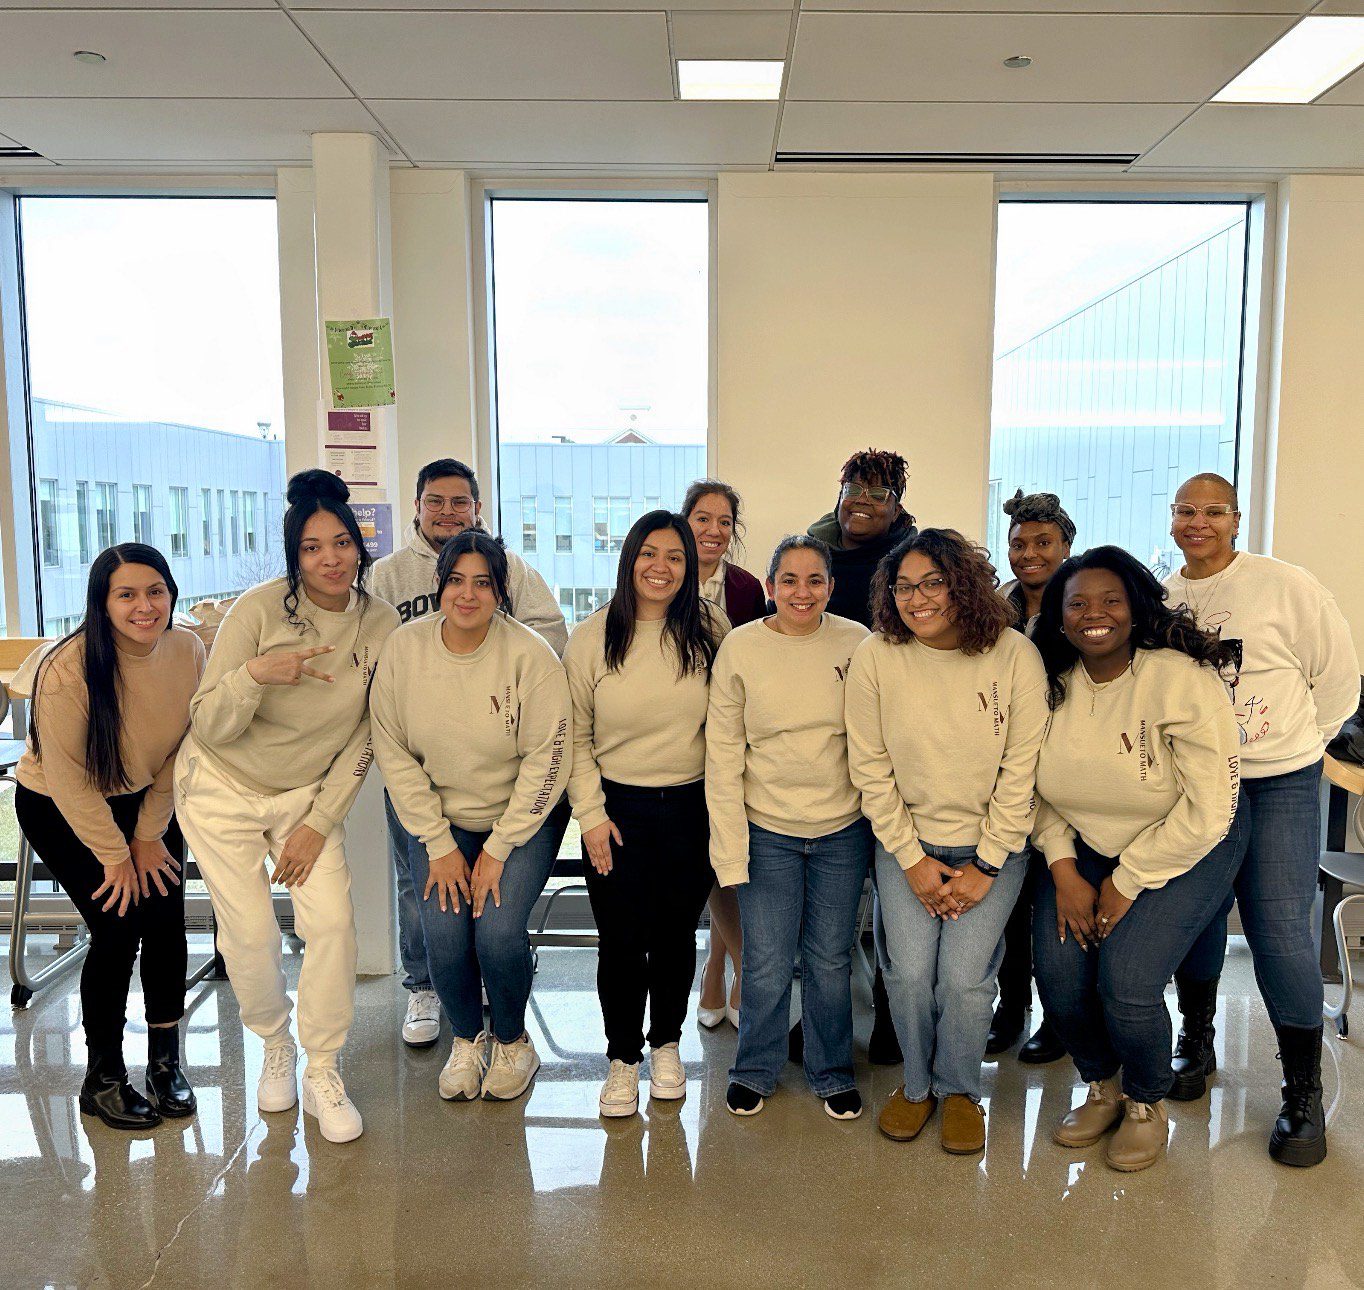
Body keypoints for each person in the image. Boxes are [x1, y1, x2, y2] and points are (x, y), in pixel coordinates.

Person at [174, 470, 399, 1143]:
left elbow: (368, 734)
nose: (329, 558)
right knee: (250, 936)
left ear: (359, 547)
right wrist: (254, 676)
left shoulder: (381, 624)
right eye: (311, 547)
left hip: (304, 797)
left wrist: (317, 822)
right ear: (293, 554)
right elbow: (208, 723)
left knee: (331, 926)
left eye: (340, 543)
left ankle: (322, 1067)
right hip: (220, 790)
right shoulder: (258, 610)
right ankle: (274, 1042)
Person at [1162, 473, 1358, 1166]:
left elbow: (1337, 677)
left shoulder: (1284, 584)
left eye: (1214, 511)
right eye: (1186, 510)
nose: (1199, 522)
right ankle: (1198, 1037)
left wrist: (1297, 745)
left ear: (1237, 519)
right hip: (1196, 785)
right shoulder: (1165, 597)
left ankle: (1301, 1092)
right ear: (1172, 518)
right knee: (1195, 917)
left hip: (1280, 783)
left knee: (1278, 930)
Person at [1031, 546, 1244, 1172]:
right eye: (1078, 604)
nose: (1094, 615)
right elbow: (1031, 789)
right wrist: (1064, 869)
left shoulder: (1178, 678)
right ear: (1061, 616)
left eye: (1110, 601)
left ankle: (1146, 1101)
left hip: (1191, 841)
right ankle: (1103, 1084)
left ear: (1135, 608)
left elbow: (1209, 809)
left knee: (1125, 982)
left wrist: (1127, 881)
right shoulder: (1050, 682)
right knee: (1062, 978)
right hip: (1082, 845)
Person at [847, 529, 1047, 1155]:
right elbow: (869, 767)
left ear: (962, 583)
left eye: (932, 582)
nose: (917, 598)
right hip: (906, 844)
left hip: (994, 847)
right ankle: (916, 1087)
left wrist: (986, 863)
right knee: (907, 974)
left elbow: (1024, 766)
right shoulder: (878, 655)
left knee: (962, 979)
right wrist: (910, 859)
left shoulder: (1013, 654)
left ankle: (959, 1090)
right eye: (903, 587)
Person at [371, 457, 567, 1050]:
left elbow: (546, 752)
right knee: (439, 924)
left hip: (516, 810)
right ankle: (458, 1030)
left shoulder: (527, 649)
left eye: (483, 583)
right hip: (435, 808)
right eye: (456, 581)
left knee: (498, 933)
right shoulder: (395, 611)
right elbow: (393, 743)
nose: (467, 593)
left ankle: (509, 1039)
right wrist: (438, 842)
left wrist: (499, 848)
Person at [16, 544, 204, 1130]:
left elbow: (187, 744)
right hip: (61, 805)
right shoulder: (67, 666)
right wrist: (115, 855)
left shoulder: (188, 648)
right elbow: (69, 778)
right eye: (126, 594)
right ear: (102, 603)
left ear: (171, 593)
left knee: (166, 916)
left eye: (156, 591)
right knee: (119, 925)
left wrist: (149, 834)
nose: (144, 606)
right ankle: (102, 1077)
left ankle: (165, 1060)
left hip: (148, 799)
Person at [563, 510, 727, 1118]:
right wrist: (592, 817)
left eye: (676, 557)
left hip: (690, 805)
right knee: (622, 941)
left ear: (690, 567)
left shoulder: (710, 628)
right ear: (630, 558)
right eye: (649, 554)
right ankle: (621, 1058)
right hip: (616, 808)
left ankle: (666, 1046)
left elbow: (727, 726)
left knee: (676, 934)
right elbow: (574, 736)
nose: (661, 568)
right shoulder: (593, 635)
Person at [706, 535, 871, 1119]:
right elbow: (723, 753)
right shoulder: (742, 647)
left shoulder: (858, 643)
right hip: (767, 828)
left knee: (830, 958)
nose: (803, 593)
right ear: (770, 586)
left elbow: (874, 741)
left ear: (832, 585)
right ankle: (755, 1068)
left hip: (841, 829)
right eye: (790, 581)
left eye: (815, 580)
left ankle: (831, 1072)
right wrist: (729, 849)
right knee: (768, 958)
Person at [805, 447, 917, 1065]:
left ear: (897, 504)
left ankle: (892, 1021)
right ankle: (826, 1024)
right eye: (854, 488)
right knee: (836, 905)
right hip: (826, 748)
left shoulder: (913, 560)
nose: (863, 502)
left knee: (892, 893)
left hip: (895, 744)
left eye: (878, 493)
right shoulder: (813, 554)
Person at [986, 488, 1075, 1064]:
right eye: (1019, 543)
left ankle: (1061, 1017)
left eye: (1043, 543)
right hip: (1009, 775)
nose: (1029, 554)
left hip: (1067, 775)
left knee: (1056, 903)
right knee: (1012, 905)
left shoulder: (1082, 604)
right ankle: (1011, 1007)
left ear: (1067, 545)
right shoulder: (997, 608)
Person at [683, 478, 765, 1031]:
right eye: (702, 519)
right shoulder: (663, 576)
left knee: (731, 858)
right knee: (710, 859)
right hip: (684, 738)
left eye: (724, 522)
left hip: (736, 736)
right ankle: (736, 963)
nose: (713, 531)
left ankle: (718, 965)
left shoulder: (746, 587)